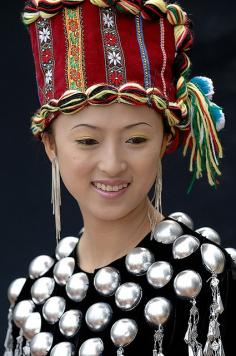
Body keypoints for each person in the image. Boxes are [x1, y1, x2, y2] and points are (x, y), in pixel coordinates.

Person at [4, 0, 236, 355]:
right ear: (51, 144)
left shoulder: (209, 281)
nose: (112, 164)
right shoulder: (34, 297)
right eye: (87, 141)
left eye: (136, 139)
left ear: (166, 140)